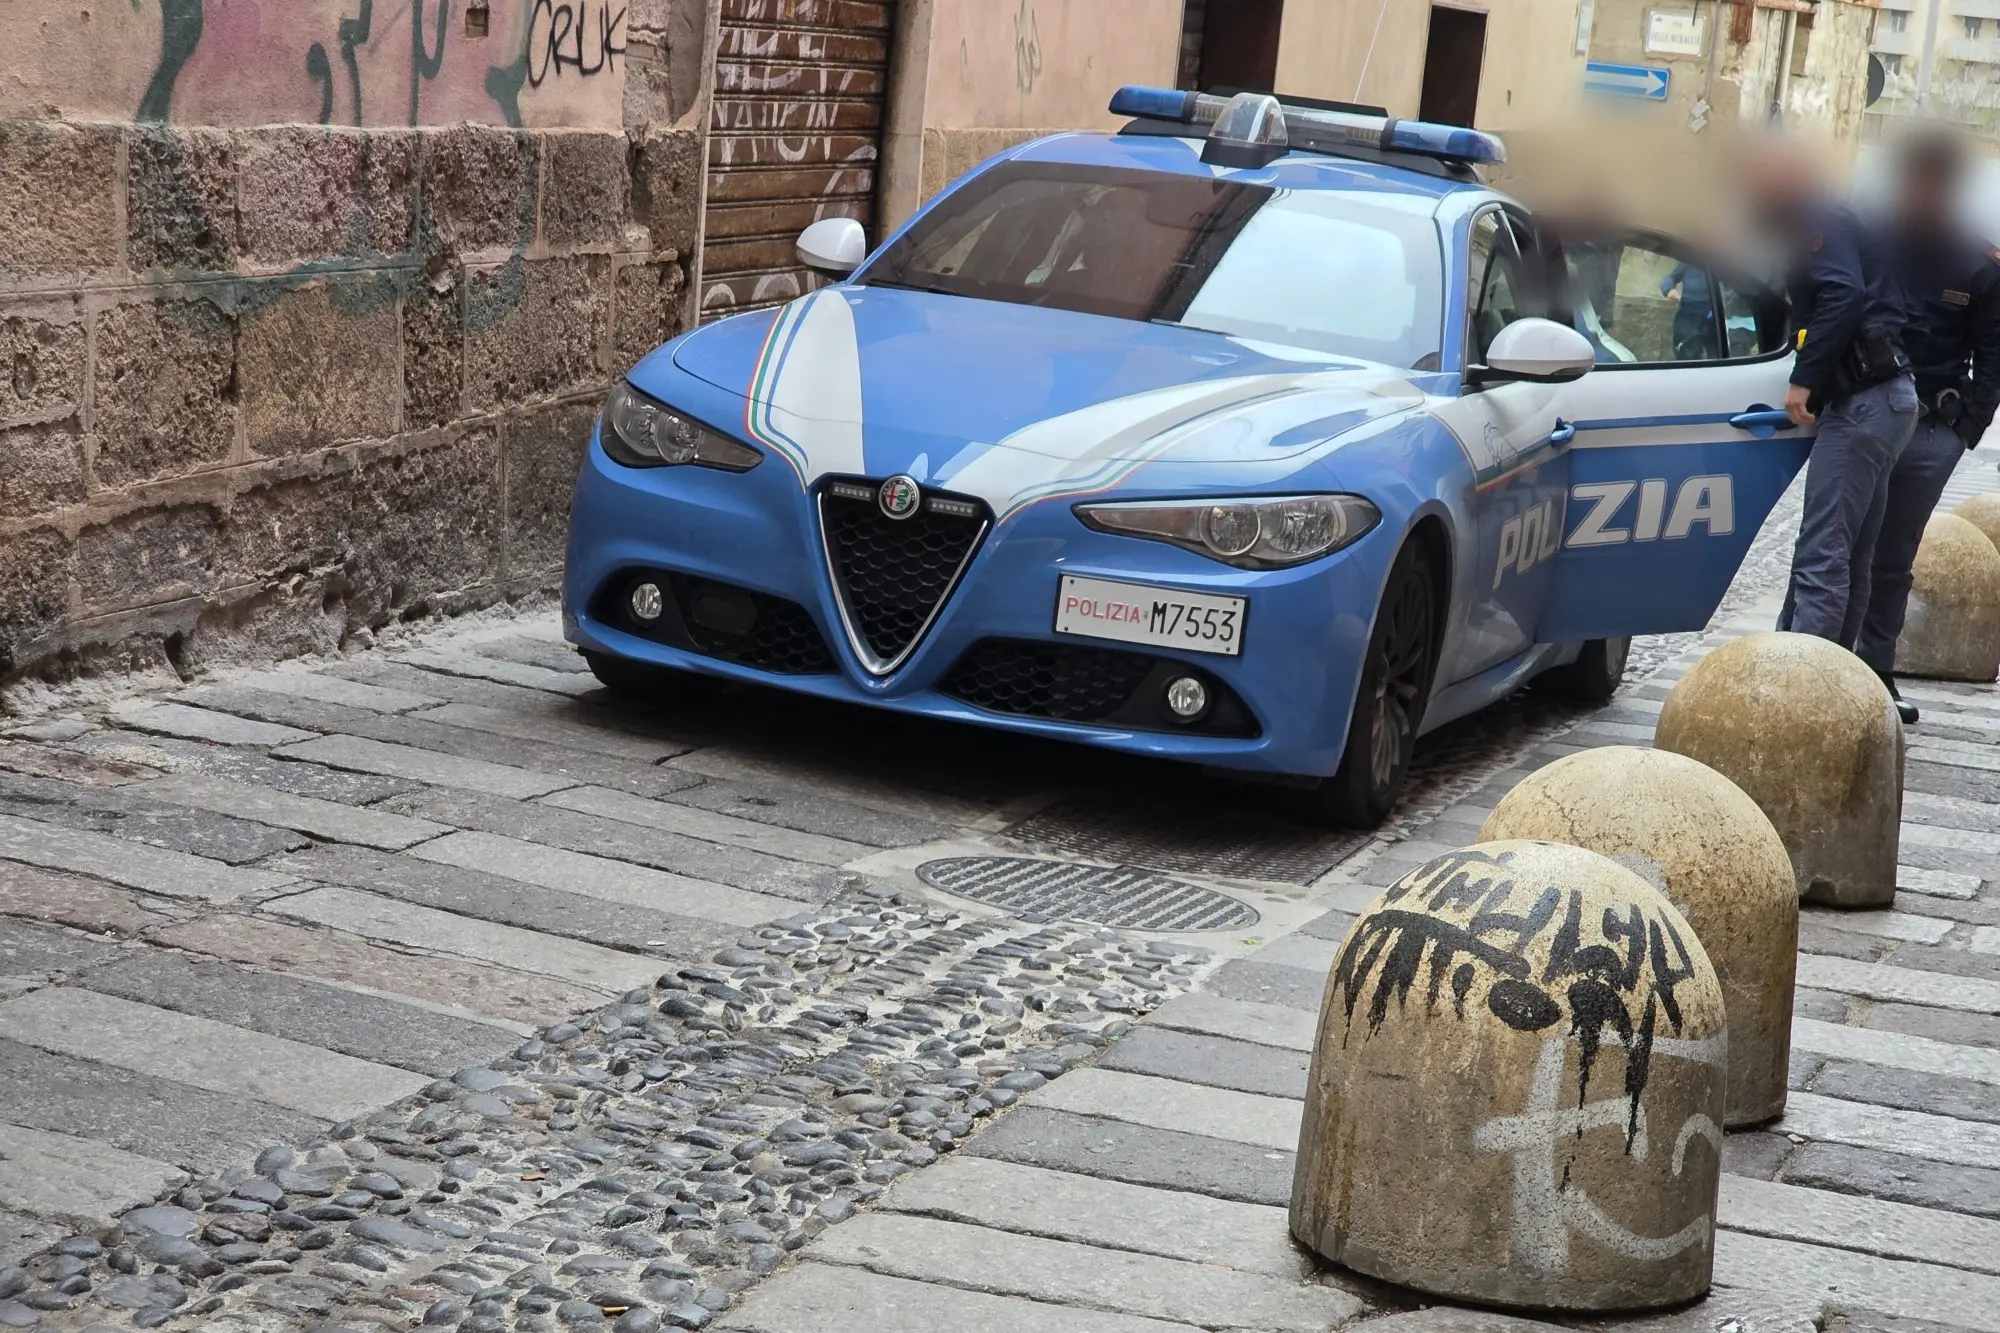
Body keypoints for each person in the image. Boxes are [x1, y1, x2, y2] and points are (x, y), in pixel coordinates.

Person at [1741, 135, 1919, 654]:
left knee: (1822, 555)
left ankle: (1799, 686)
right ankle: (1837, 682)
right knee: (1850, 554)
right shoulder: (1826, 213)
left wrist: (1805, 378)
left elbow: (1844, 292)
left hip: (1864, 403)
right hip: (1888, 400)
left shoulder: (1814, 215)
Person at [1856, 126, 2000, 724]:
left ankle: (1876, 672)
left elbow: (1993, 355)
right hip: (1864, 418)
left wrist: (1964, 428)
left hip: (1928, 428)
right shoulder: (1870, 243)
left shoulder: (1979, 263)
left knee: (1892, 556)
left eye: (1935, 182)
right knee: (1836, 549)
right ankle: (1812, 662)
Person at [1660, 261, 1718, 359]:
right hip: (1688, 314)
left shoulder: (1724, 262)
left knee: (1717, 356)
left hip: (1715, 315)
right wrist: (1669, 289)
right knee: (1685, 355)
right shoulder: (1689, 261)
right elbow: (1670, 278)